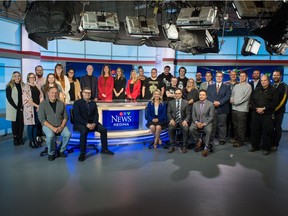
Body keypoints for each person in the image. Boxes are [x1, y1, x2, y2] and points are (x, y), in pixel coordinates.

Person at [73, 87, 114, 162]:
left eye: (89, 93)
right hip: (80, 123)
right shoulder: (77, 103)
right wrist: (86, 124)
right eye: (86, 92)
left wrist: (94, 123)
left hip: (92, 123)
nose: (87, 94)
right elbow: (77, 116)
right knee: (84, 131)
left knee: (103, 129)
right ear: (82, 93)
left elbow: (96, 115)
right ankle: (82, 153)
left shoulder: (93, 103)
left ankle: (104, 149)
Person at [38, 87, 71, 161]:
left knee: (67, 134)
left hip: (60, 125)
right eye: (52, 92)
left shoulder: (61, 103)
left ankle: (61, 150)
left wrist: (62, 126)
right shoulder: (43, 104)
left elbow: (66, 116)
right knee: (50, 135)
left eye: (56, 93)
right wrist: (53, 128)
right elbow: (42, 120)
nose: (54, 94)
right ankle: (51, 153)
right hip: (48, 126)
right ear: (48, 94)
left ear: (58, 94)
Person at [249, 75, 278, 155]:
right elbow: (252, 100)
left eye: (265, 80)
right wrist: (257, 109)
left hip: (267, 114)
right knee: (255, 130)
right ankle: (255, 146)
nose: (263, 82)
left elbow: (274, 103)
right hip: (256, 113)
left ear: (268, 81)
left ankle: (266, 148)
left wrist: (264, 108)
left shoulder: (274, 90)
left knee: (267, 132)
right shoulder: (257, 89)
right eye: (262, 81)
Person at [207, 71, 231, 145]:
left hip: (223, 108)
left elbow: (227, 96)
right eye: (217, 76)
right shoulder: (210, 86)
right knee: (212, 124)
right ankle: (211, 138)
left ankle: (222, 139)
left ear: (222, 77)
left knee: (222, 125)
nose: (219, 77)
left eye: (220, 76)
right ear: (215, 77)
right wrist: (213, 102)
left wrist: (219, 102)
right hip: (212, 108)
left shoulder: (227, 86)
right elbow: (208, 96)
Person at [190, 90, 215, 157]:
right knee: (191, 128)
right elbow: (193, 115)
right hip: (197, 121)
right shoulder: (195, 104)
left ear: (206, 96)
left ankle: (206, 147)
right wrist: (197, 122)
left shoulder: (210, 104)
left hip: (206, 122)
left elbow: (211, 117)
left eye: (203, 95)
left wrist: (204, 124)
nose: (201, 96)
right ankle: (199, 140)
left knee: (208, 130)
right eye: (200, 95)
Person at [230, 71, 252, 147]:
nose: (242, 77)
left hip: (242, 110)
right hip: (234, 109)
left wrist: (235, 102)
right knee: (235, 125)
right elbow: (232, 95)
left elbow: (245, 98)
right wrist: (231, 99)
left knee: (241, 126)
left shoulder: (248, 86)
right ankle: (237, 138)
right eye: (241, 76)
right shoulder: (236, 86)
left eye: (244, 76)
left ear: (246, 77)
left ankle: (240, 141)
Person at [22, 72, 44, 148]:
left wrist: (39, 106)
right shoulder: (26, 87)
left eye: (33, 77)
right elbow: (27, 100)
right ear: (28, 78)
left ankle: (35, 140)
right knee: (30, 125)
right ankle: (31, 141)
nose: (32, 79)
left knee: (36, 125)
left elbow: (41, 96)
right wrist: (37, 106)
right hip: (30, 109)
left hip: (38, 108)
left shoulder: (37, 86)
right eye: (30, 77)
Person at [167, 88, 190, 153]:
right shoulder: (171, 102)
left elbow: (188, 114)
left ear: (181, 94)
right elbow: (168, 113)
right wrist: (171, 119)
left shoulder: (186, 103)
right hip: (173, 120)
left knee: (186, 129)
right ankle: (172, 146)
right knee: (170, 128)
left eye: (179, 93)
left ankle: (184, 145)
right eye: (176, 93)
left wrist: (186, 120)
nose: (177, 95)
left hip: (182, 120)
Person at [5, 71, 25, 146]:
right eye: (15, 76)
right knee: (15, 124)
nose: (17, 77)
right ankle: (15, 138)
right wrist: (16, 107)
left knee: (21, 124)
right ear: (13, 77)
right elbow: (9, 98)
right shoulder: (9, 86)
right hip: (14, 108)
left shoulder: (23, 85)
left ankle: (20, 137)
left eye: (18, 76)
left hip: (22, 107)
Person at [272, 70, 287, 150]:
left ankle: (275, 144)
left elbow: (283, 100)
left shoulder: (284, 86)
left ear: (280, 76)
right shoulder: (271, 85)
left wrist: (275, 110)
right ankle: (270, 142)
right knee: (270, 128)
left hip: (279, 112)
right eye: (274, 75)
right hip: (271, 112)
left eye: (277, 75)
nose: (276, 77)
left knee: (277, 128)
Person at [224, 70, 239, 140]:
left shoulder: (239, 84)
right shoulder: (225, 84)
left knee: (234, 121)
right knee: (226, 120)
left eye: (235, 74)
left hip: (236, 105)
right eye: (232, 74)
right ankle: (225, 135)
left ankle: (233, 135)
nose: (233, 76)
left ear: (237, 75)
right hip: (226, 104)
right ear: (229, 75)